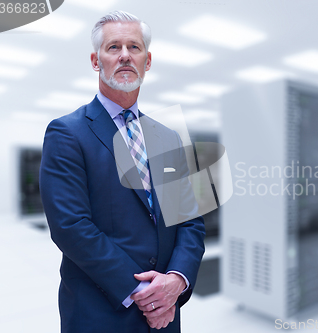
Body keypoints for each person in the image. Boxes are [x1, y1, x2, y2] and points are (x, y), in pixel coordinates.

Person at [39, 11, 205, 333]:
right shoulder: (67, 133)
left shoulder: (168, 137)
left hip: (166, 312)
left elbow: (190, 219)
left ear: (148, 61)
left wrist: (176, 280)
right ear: (95, 60)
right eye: (113, 47)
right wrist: (144, 294)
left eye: (135, 47)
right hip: (101, 311)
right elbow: (71, 227)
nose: (125, 55)